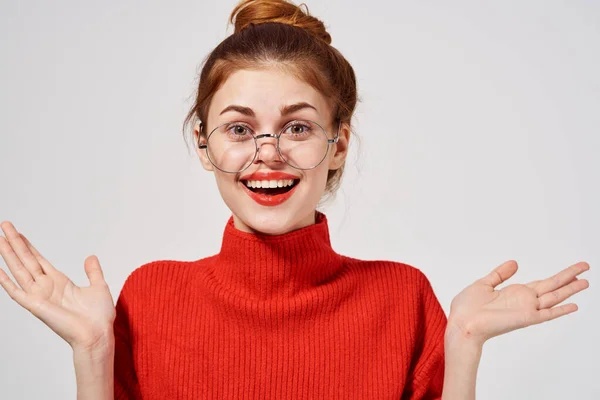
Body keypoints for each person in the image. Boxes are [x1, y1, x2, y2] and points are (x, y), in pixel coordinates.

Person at [0, 0, 591, 399]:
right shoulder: (149, 298)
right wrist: (93, 351)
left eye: (298, 127)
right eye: (239, 128)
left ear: (339, 144)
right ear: (205, 147)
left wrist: (462, 346)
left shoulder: (402, 298)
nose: (268, 153)